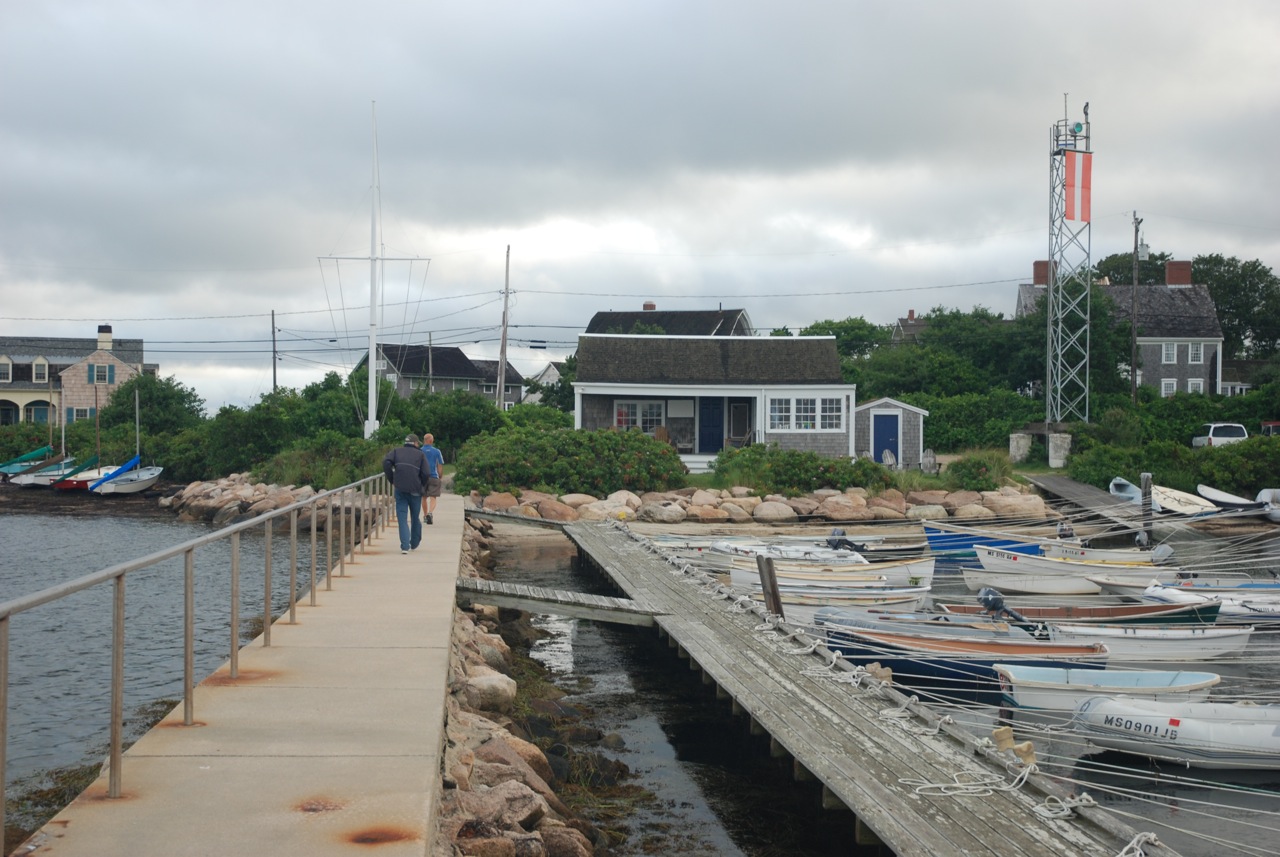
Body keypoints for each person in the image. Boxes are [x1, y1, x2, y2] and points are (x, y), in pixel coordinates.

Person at [383, 433, 429, 554]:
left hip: (400, 489)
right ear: (415, 443)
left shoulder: (396, 451)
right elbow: (426, 473)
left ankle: (404, 547)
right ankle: (414, 543)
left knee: (402, 518)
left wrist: (392, 479)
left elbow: (386, 462)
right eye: (418, 443)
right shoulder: (420, 454)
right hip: (415, 490)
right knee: (415, 517)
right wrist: (421, 484)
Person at [420, 432, 444, 524]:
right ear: (431, 440)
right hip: (434, 476)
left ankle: (425, 515)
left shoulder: (420, 451)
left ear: (424, 440)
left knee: (424, 497)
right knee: (433, 497)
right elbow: (440, 464)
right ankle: (430, 512)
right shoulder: (437, 451)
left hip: (423, 477)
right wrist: (440, 475)